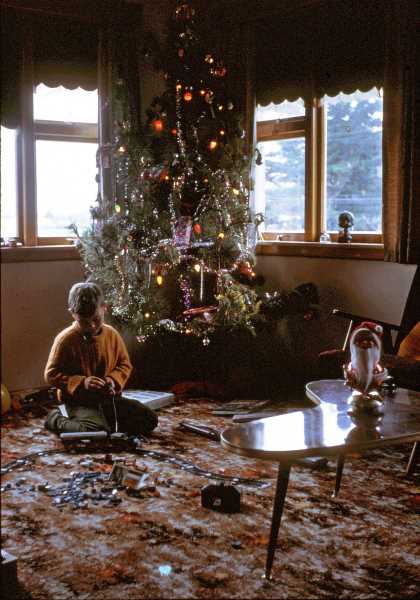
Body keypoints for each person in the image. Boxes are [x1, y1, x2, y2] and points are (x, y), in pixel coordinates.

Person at [44, 282, 158, 436]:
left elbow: (124, 364)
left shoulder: (112, 334)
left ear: (104, 308)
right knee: (96, 432)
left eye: (96, 319)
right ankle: (55, 418)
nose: (91, 326)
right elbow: (51, 374)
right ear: (72, 313)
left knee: (149, 419)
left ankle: (103, 421)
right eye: (84, 322)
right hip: (79, 402)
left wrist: (112, 380)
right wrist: (82, 382)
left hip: (108, 399)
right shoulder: (65, 340)